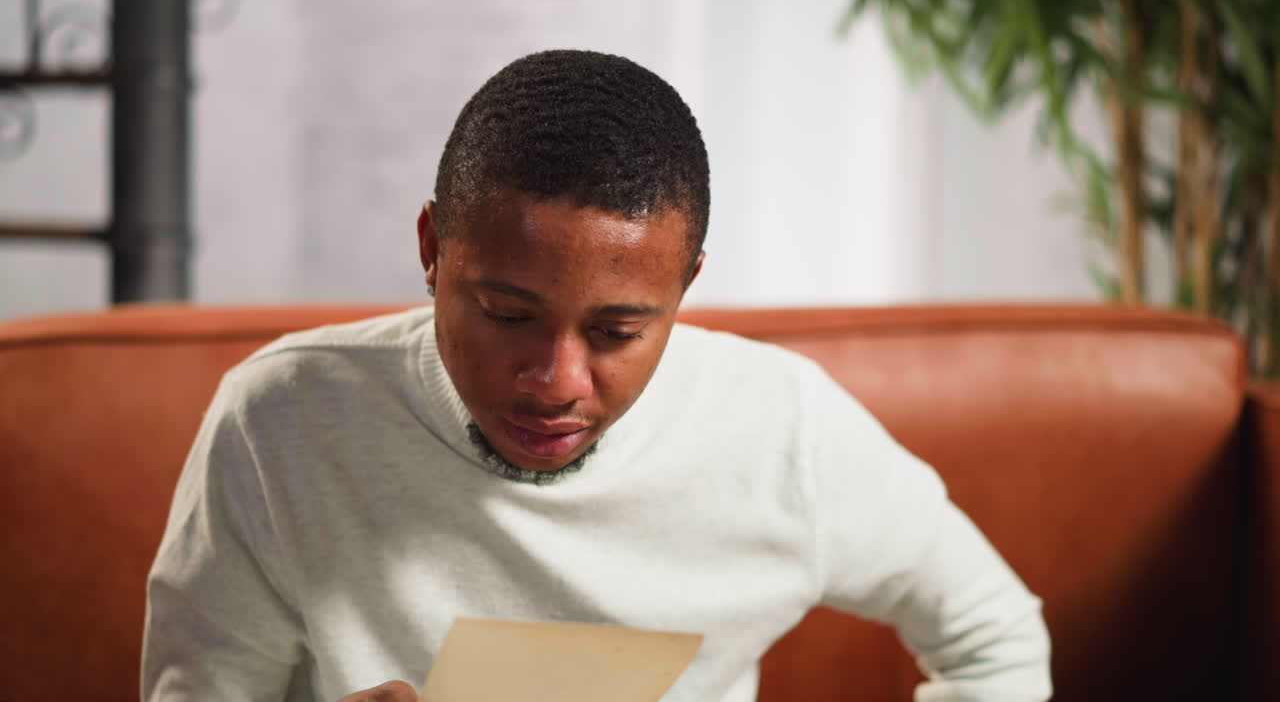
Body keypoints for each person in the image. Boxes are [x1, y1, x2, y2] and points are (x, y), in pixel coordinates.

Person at [143, 49, 1051, 702]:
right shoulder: (283, 424)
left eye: (618, 331)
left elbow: (996, 638)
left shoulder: (787, 430)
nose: (556, 381)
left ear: (686, 286)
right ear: (431, 249)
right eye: (507, 315)